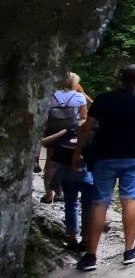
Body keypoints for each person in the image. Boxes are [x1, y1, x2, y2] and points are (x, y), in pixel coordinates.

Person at [74, 64, 135, 272]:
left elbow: (86, 127)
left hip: (104, 155)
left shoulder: (103, 99)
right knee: (130, 199)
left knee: (99, 203)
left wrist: (76, 153)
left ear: (119, 77)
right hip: (132, 155)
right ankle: (129, 251)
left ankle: (90, 255)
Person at [42, 125, 96, 250]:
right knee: (88, 207)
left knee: (71, 205)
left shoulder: (68, 132)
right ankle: (86, 239)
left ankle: (72, 237)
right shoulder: (94, 133)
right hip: (88, 177)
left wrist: (63, 131)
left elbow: (44, 143)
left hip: (68, 177)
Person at [39, 73, 88, 202]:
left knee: (50, 164)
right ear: (75, 83)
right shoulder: (79, 97)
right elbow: (83, 118)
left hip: (52, 133)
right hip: (70, 134)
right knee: (67, 163)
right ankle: (61, 194)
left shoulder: (52, 95)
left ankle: (48, 194)